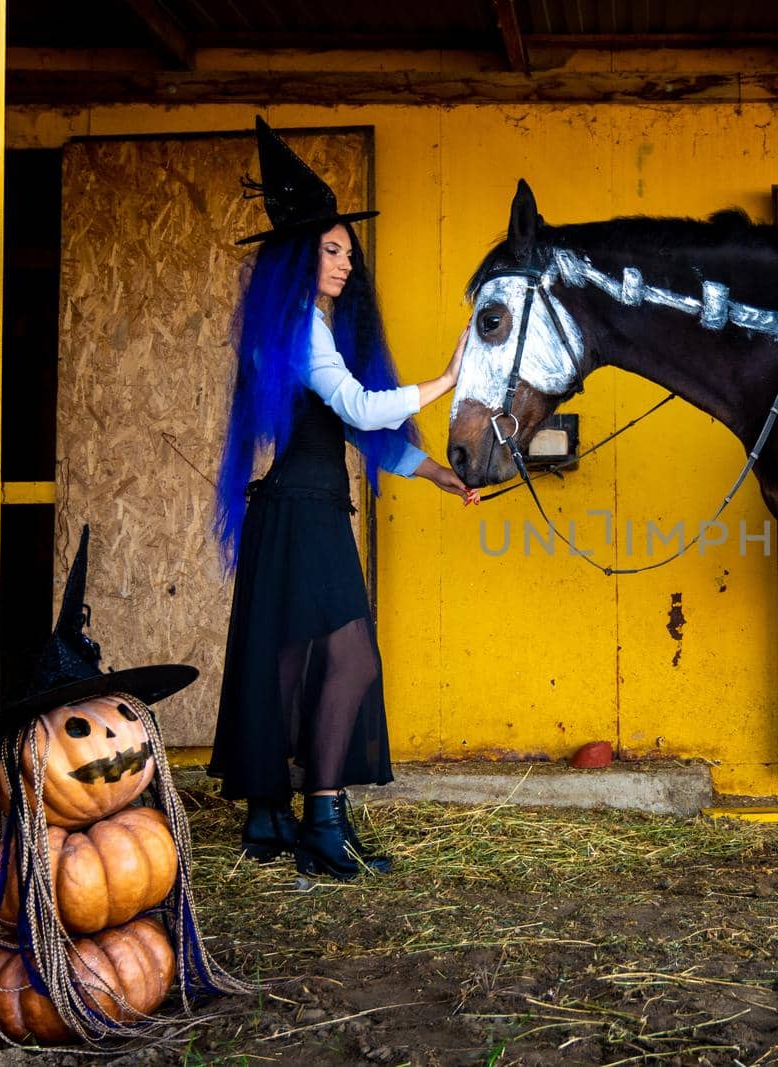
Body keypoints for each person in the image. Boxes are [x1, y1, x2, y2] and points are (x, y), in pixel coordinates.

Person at [208, 117, 478, 880]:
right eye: (332, 249)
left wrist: (438, 474)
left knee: (299, 668)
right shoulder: (299, 326)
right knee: (351, 660)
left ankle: (292, 818)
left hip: (307, 506)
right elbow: (360, 410)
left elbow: (364, 437)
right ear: (301, 252)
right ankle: (320, 817)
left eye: (348, 253)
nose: (344, 262)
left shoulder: (310, 326)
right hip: (300, 509)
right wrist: (445, 380)